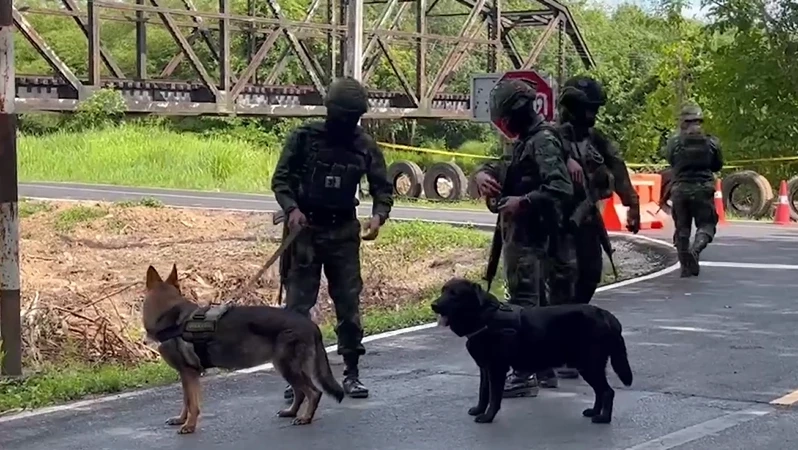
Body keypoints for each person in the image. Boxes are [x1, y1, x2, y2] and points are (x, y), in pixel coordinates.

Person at [271, 76, 395, 401]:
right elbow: (281, 180)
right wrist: (291, 208)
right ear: (330, 110)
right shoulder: (304, 138)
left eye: (353, 116)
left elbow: (383, 188)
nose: (348, 121)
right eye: (344, 114)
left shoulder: (364, 145)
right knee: (297, 307)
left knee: (348, 305)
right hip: (305, 232)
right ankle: (297, 376)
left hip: (343, 232)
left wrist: (379, 216)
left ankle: (351, 373)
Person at [473, 78, 574, 398]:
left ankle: (522, 373)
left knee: (523, 307)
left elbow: (560, 188)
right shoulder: (526, 140)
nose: (502, 126)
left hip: (533, 236)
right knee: (536, 306)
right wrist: (482, 175)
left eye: (504, 119)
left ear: (517, 112)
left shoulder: (542, 140)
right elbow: (506, 167)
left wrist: (524, 201)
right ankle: (542, 367)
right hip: (522, 236)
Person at [550, 75, 641, 379]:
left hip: (587, 222)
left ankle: (566, 336)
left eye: (594, 109)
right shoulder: (551, 137)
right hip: (556, 222)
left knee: (589, 277)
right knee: (561, 285)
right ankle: (557, 352)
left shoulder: (597, 139)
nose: (592, 115)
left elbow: (618, 167)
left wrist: (633, 205)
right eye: (587, 108)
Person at [664, 104, 723, 277]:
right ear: (700, 121)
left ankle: (685, 266)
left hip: (680, 190)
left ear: (683, 121)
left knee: (682, 228)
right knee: (706, 225)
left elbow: (671, 161)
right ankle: (695, 250)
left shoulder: (674, 142)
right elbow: (717, 165)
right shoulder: (711, 142)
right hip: (703, 189)